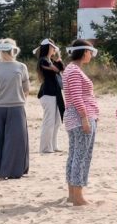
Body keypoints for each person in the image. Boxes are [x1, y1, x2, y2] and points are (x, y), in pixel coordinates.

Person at [0, 38, 30, 180]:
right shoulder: (21, 67)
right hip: (16, 107)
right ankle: (10, 172)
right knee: (14, 142)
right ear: (14, 50)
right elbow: (26, 90)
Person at [62, 39, 100, 205]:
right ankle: (78, 196)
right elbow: (77, 97)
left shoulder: (70, 69)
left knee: (74, 154)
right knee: (82, 156)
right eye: (90, 52)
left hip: (73, 117)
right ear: (84, 52)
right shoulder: (75, 71)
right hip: (80, 117)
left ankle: (72, 194)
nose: (91, 55)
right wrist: (85, 117)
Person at [34, 39, 65, 153]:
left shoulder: (49, 60)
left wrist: (58, 59)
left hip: (55, 93)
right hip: (47, 93)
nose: (54, 49)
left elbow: (62, 69)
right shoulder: (43, 61)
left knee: (57, 121)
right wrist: (58, 58)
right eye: (53, 47)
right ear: (48, 47)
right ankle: (45, 148)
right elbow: (57, 69)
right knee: (49, 121)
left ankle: (53, 145)